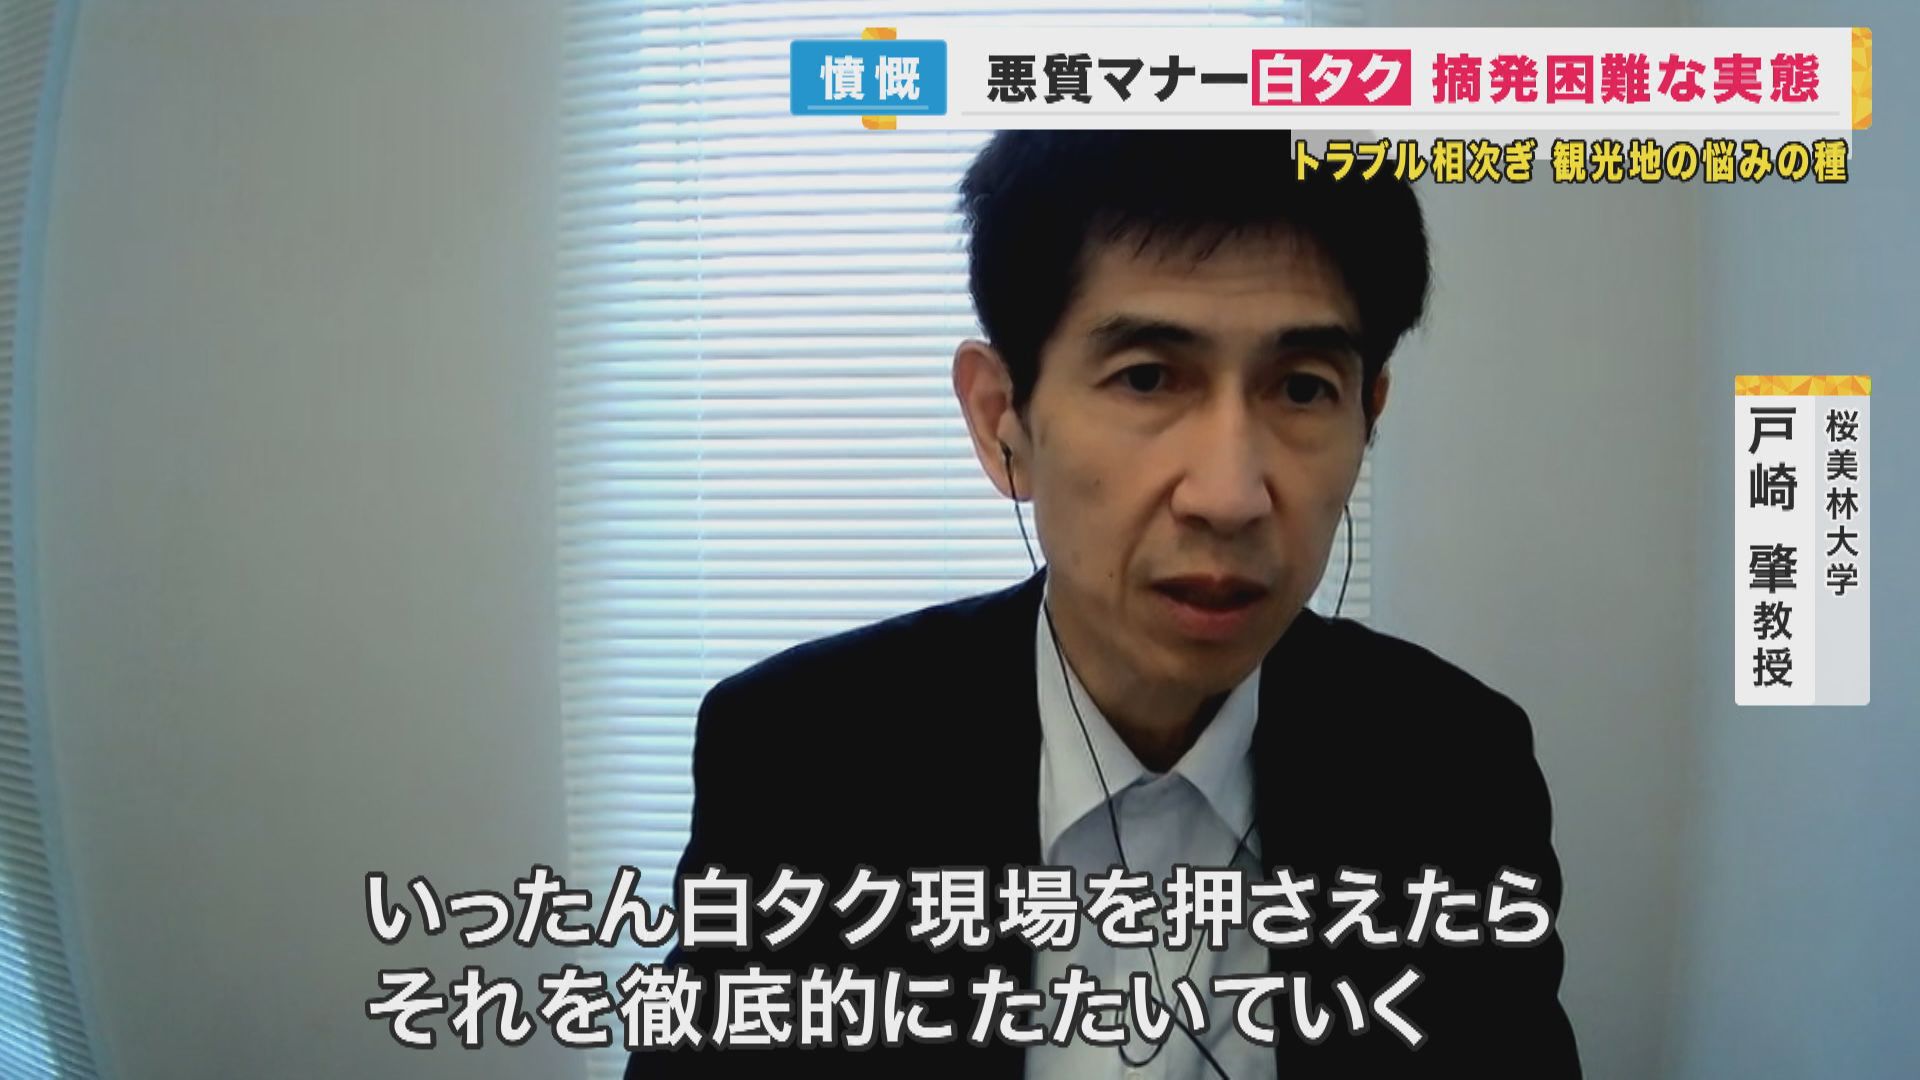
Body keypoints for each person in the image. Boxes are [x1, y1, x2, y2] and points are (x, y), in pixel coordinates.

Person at [624, 130, 1581, 1079]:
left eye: (1302, 388)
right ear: (1002, 420)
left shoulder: (1459, 773)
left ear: (1368, 417)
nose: (1229, 496)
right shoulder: (801, 761)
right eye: (1147, 379)